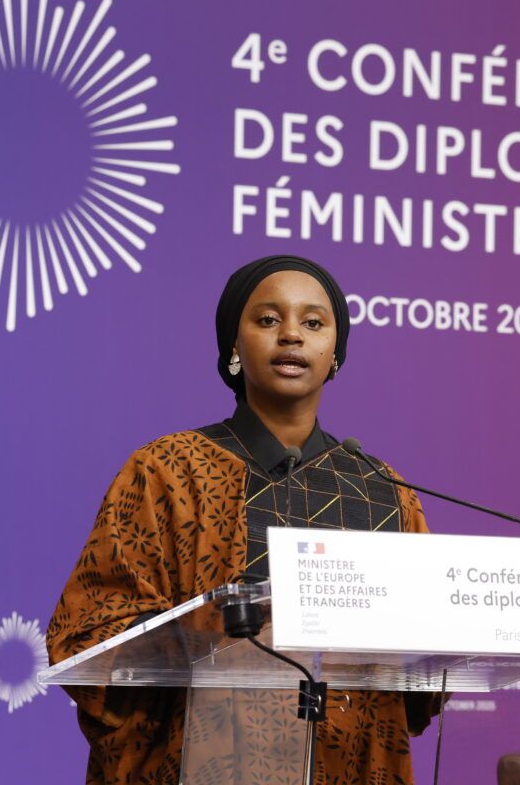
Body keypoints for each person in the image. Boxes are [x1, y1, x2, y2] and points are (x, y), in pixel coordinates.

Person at [46, 255, 434, 784]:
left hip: (350, 762)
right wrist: (216, 636)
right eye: (268, 319)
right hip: (205, 760)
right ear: (234, 344)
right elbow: (89, 632)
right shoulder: (167, 470)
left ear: (335, 354)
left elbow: (422, 671)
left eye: (313, 322)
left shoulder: (384, 489)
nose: (292, 335)